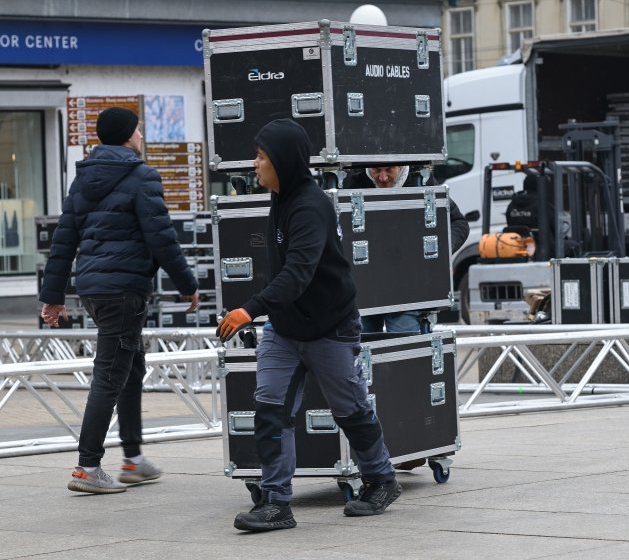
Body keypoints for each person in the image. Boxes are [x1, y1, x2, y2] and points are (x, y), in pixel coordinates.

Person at [216, 118, 401, 533]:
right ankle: (276, 503)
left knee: (349, 410)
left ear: (282, 160)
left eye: (261, 157)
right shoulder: (281, 197)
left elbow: (298, 272)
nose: (255, 164)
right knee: (270, 409)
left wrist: (250, 309)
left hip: (329, 325)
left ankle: (381, 479)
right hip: (284, 329)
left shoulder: (310, 206)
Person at [39, 107, 199, 495]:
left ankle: (133, 459)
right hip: (124, 290)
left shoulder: (83, 179)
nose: (142, 135)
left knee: (131, 367)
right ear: (128, 136)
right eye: (138, 130)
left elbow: (64, 241)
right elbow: (161, 237)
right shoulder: (142, 176)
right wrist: (187, 284)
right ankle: (87, 467)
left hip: (94, 289)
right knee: (110, 374)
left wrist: (54, 297)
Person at [342, 165, 470, 333]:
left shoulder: (421, 179)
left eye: (389, 170)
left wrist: (440, 250)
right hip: (365, 289)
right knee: (363, 343)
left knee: (404, 343)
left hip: (407, 290)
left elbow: (459, 223)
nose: (382, 177)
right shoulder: (353, 180)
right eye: (376, 170)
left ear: (401, 166)